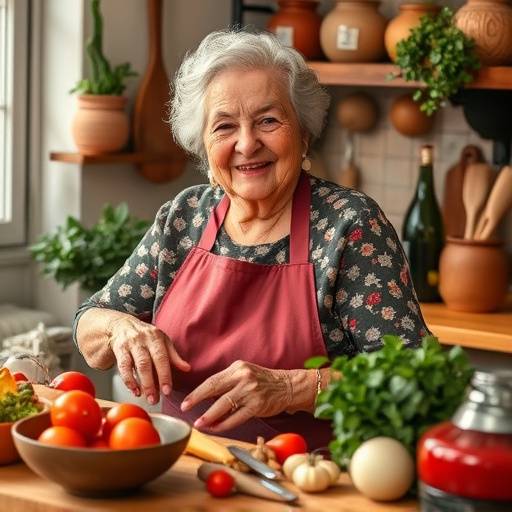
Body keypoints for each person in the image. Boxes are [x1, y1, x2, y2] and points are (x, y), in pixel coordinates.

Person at [74, 30, 429, 448]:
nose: (247, 143)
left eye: (268, 120)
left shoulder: (349, 225)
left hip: (311, 476)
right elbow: (89, 322)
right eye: (225, 126)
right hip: (183, 467)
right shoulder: (184, 217)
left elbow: (414, 376)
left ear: (304, 134)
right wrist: (120, 329)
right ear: (205, 148)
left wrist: (291, 388)